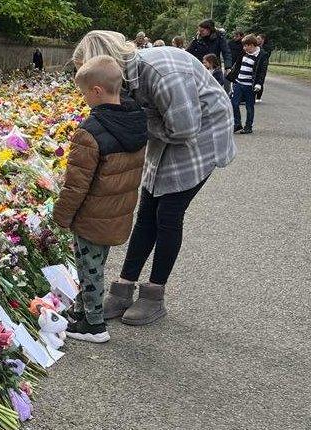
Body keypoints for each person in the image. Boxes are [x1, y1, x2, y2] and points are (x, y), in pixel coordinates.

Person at [72, 30, 236, 325]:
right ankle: (123, 289)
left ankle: (154, 294)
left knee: (168, 214)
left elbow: (184, 129)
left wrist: (138, 126)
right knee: (147, 209)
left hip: (201, 136)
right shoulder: (125, 78)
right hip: (168, 132)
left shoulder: (161, 72)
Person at [53, 56, 147, 342]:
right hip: (117, 212)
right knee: (93, 263)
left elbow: (75, 186)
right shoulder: (135, 121)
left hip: (92, 215)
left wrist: (61, 215)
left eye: (83, 93)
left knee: (90, 268)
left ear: (96, 91)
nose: (83, 99)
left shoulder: (91, 132)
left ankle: (94, 326)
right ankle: (82, 311)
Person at [228, 34, 269, 133]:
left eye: (246, 46)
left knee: (249, 106)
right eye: (244, 46)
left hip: (249, 86)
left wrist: (259, 84)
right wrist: (232, 75)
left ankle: (248, 126)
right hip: (239, 83)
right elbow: (238, 66)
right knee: (234, 103)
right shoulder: (244, 53)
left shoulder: (262, 55)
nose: (244, 48)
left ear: (252, 45)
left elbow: (262, 72)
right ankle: (237, 124)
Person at [255, 34, 273, 102]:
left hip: (263, 64)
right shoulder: (256, 46)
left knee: (261, 78)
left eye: (258, 38)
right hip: (256, 63)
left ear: (263, 39)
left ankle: (258, 97)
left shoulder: (267, 47)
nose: (257, 40)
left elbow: (266, 56)